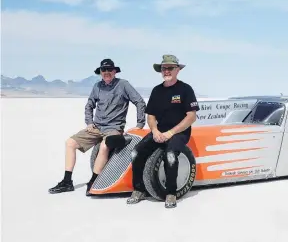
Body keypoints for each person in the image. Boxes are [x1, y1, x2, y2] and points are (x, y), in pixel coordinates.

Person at [48, 58, 147, 195]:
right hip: (96, 127)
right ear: (100, 72)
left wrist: (140, 124)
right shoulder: (97, 87)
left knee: (104, 145)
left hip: (113, 128)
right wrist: (89, 122)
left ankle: (93, 182)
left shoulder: (123, 85)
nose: (106, 72)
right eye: (103, 70)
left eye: (109, 70)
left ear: (114, 71)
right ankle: (67, 181)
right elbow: (89, 105)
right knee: (70, 143)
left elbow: (140, 102)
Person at [125, 54, 200, 208]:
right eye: (164, 68)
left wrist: (171, 133)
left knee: (171, 155)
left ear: (177, 70)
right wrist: (155, 130)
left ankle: (171, 193)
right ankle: (139, 190)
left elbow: (191, 117)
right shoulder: (157, 91)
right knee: (136, 153)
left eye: (170, 68)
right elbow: (151, 115)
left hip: (179, 132)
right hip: (159, 131)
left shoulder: (185, 89)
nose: (166, 71)